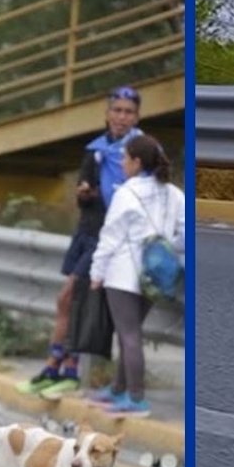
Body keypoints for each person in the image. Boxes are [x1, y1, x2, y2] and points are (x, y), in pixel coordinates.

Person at [18, 86, 142, 399]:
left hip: (109, 239)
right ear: (107, 113)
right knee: (67, 302)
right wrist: (84, 193)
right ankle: (54, 368)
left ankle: (67, 369)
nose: (122, 117)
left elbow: (137, 198)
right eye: (117, 110)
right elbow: (84, 193)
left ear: (137, 116)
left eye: (128, 112)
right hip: (85, 233)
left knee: (71, 298)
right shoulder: (95, 149)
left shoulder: (140, 151)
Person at [86, 134, 184, 418]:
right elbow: (185, 234)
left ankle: (136, 398)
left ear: (137, 162)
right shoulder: (174, 193)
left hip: (124, 274)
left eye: (125, 157)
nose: (121, 162)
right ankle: (118, 389)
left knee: (128, 335)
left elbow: (111, 236)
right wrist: (163, 249)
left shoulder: (127, 193)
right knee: (131, 332)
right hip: (157, 276)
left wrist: (96, 272)